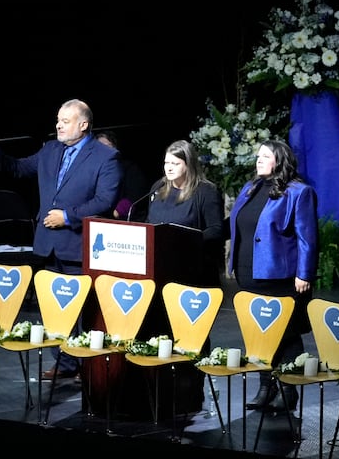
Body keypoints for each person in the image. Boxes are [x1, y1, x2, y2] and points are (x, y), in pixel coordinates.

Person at [0, 99, 121, 379]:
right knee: (54, 305)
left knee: (81, 309)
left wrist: (68, 216)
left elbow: (105, 200)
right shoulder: (50, 150)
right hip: (48, 244)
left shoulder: (105, 157)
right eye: (58, 119)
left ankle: (87, 364)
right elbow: (19, 168)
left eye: (66, 121)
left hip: (79, 244)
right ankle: (66, 362)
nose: (58, 125)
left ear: (83, 125)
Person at [226, 138, 318, 411]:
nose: (259, 159)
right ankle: (266, 386)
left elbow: (307, 238)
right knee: (259, 333)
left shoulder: (299, 192)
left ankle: (288, 391)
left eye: (265, 156)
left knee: (285, 333)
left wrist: (305, 274)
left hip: (281, 276)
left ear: (280, 160)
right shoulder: (250, 188)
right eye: (258, 155)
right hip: (249, 272)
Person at [134, 139, 227, 287]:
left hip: (191, 269)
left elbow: (216, 230)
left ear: (188, 165)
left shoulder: (205, 191)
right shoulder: (159, 186)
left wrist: (184, 240)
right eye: (167, 163)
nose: (169, 168)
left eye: (175, 164)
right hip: (158, 267)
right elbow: (149, 221)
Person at [97, 131, 152, 220]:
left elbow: (135, 197)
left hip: (125, 222)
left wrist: (117, 212)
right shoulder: (93, 172)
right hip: (99, 219)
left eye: (107, 146)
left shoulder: (130, 168)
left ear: (115, 149)